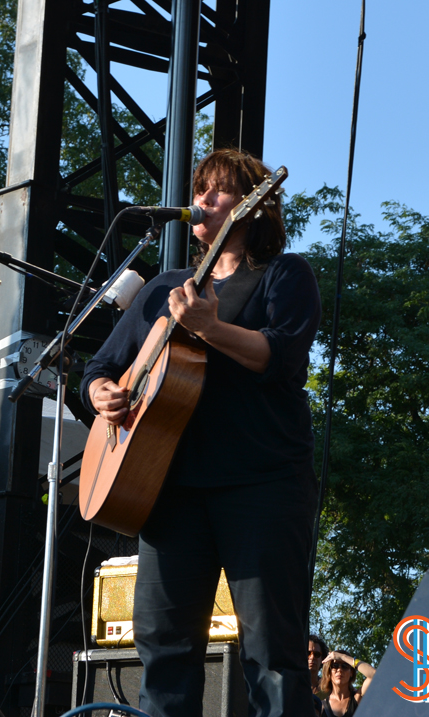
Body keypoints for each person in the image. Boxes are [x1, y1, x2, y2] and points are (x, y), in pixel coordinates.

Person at [81, 149, 322, 717]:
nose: (204, 200)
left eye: (219, 191)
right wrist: (101, 395)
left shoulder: (284, 276)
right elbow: (99, 368)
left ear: (254, 208)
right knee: (163, 653)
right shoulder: (164, 286)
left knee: (273, 655)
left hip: (261, 485)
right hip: (168, 492)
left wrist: (211, 329)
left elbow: (281, 356)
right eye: (202, 189)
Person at [318, 650, 375, 716]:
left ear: (351, 673)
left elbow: (374, 675)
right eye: (335, 665)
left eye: (345, 666)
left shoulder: (358, 697)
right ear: (329, 672)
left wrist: (343, 657)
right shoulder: (321, 707)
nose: (340, 670)